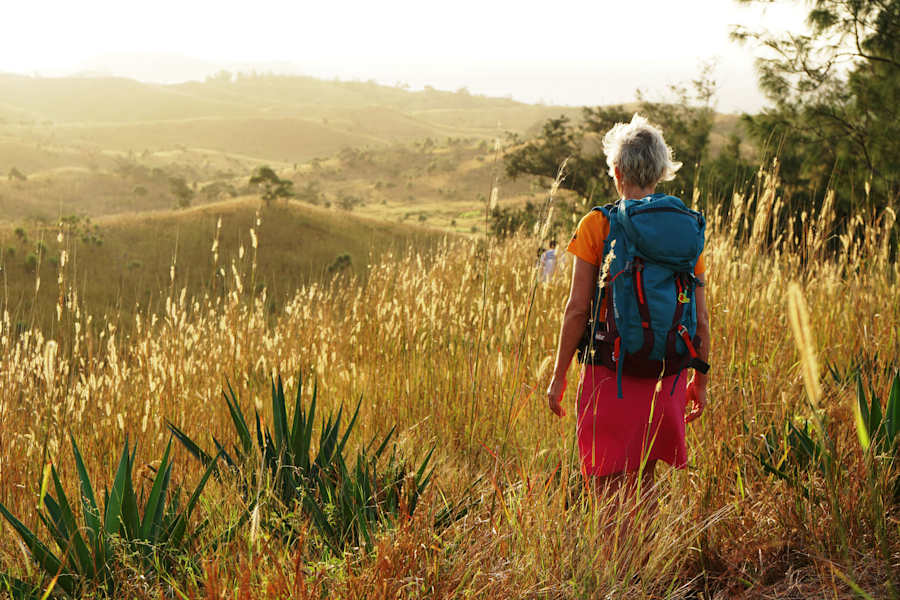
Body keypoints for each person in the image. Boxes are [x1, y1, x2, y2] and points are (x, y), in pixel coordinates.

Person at [545, 114, 709, 500]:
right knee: (646, 476)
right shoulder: (685, 229)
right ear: (660, 172)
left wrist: (559, 376)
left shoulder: (596, 225)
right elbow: (700, 317)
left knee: (604, 480)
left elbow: (576, 310)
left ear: (616, 172)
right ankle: (647, 558)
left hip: (610, 369)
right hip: (666, 372)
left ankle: (616, 562)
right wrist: (699, 380)